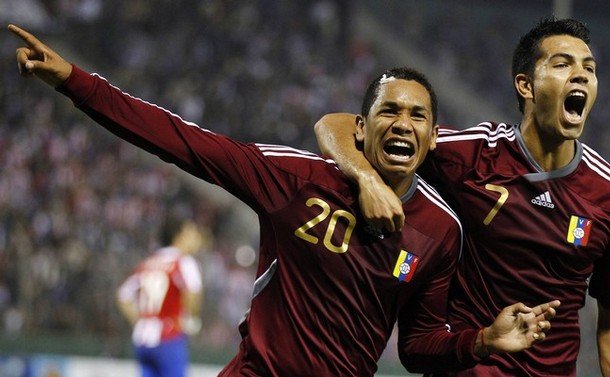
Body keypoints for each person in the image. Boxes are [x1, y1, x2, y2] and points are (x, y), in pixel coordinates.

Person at [8, 24, 560, 376]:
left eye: (418, 116)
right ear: (362, 127)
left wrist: (481, 341)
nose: (404, 123)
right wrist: (74, 82)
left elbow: (418, 348)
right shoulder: (295, 178)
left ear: (434, 137)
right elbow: (178, 138)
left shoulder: (442, 232)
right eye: (390, 111)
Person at [314, 17, 610, 377]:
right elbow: (334, 125)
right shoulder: (472, 156)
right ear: (525, 85)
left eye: (589, 69)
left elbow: (608, 324)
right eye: (562, 64)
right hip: (465, 366)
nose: (581, 75)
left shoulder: (605, 192)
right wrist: (366, 179)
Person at [117, 216, 204, 377]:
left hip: (142, 339)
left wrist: (140, 319)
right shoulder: (183, 261)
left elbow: (123, 295)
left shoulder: (148, 263)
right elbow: (193, 293)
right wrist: (191, 319)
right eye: (191, 232)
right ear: (179, 235)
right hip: (168, 337)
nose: (196, 238)